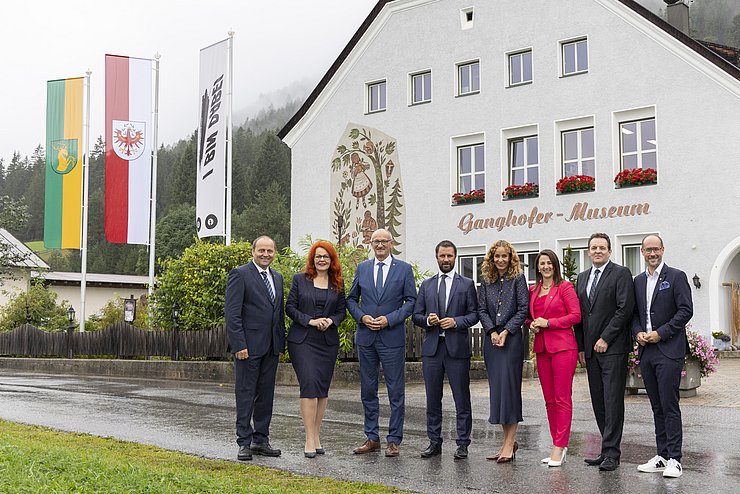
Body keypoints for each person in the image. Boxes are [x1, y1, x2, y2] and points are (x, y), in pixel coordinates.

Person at [347, 228, 417, 457]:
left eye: (383, 241)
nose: (379, 245)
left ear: (391, 243)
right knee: (368, 390)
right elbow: (350, 299)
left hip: (391, 337)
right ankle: (372, 437)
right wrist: (361, 317)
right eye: (375, 241)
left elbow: (411, 302)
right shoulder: (363, 268)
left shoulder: (404, 269)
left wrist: (390, 319)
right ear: (371, 243)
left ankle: (394, 440)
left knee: (395, 391)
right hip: (367, 338)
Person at [631, 235, 693, 478]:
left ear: (663, 250)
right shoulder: (637, 281)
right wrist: (637, 333)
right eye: (648, 250)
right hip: (646, 350)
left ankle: (675, 459)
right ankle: (662, 455)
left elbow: (686, 310)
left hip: (668, 349)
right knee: (656, 405)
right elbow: (634, 314)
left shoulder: (676, 277)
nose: (652, 253)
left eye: (656, 249)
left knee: (669, 404)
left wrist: (661, 333)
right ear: (642, 252)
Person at [412, 240, 479, 460]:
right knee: (433, 398)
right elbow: (416, 315)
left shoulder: (466, 284)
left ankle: (462, 443)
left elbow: (474, 314)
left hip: (457, 349)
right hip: (432, 349)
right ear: (437, 257)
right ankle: (434, 441)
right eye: (442, 256)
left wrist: (457, 322)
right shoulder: (427, 285)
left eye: (450, 256)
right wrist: (429, 321)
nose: (446, 260)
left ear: (455, 256)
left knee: (461, 398)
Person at [574, 233, 635, 471]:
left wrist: (605, 338)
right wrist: (581, 346)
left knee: (612, 401)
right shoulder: (582, 278)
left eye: (602, 247)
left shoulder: (621, 274)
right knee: (598, 401)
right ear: (588, 251)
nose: (597, 251)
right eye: (593, 247)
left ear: (610, 251)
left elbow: (624, 309)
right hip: (590, 351)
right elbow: (580, 316)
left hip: (613, 349)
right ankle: (605, 449)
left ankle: (612, 453)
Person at [225, 236, 285, 461]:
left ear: (274, 253)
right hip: (247, 348)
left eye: (270, 251)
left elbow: (277, 314)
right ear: (253, 251)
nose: (266, 254)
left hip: (271, 348)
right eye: (262, 250)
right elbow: (232, 313)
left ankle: (261, 440)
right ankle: (244, 442)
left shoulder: (277, 278)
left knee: (265, 396)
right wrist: (239, 344)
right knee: (246, 394)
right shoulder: (239, 275)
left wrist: (280, 344)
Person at [285, 241, 347, 458]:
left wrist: (330, 320)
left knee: (322, 390)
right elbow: (290, 308)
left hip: (327, 342)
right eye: (318, 256)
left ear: (331, 261)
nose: (322, 260)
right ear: (312, 259)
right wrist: (310, 321)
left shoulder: (337, 283)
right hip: (302, 340)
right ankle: (309, 439)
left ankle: (317, 435)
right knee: (309, 385)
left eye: (326, 257)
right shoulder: (299, 280)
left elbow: (342, 311)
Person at [527, 249, 581, 467]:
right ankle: (556, 443)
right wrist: (531, 323)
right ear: (537, 267)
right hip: (542, 349)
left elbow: (575, 316)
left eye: (549, 263)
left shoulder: (565, 287)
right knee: (549, 400)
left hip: (563, 348)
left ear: (555, 265)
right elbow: (531, 317)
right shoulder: (534, 290)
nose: (545, 267)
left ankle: (560, 445)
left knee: (562, 398)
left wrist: (549, 323)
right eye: (541, 263)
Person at [477, 240, 529, 463]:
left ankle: (510, 443)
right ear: (491, 258)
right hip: (492, 341)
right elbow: (480, 309)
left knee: (509, 390)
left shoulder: (517, 278)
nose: (500, 260)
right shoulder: (485, 280)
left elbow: (523, 308)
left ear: (510, 258)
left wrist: (506, 331)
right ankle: (507, 442)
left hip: (512, 340)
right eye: (496, 256)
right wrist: (491, 332)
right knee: (498, 392)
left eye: (504, 256)